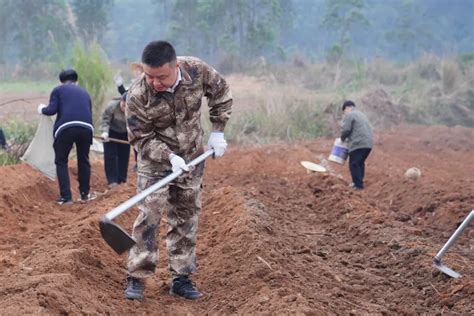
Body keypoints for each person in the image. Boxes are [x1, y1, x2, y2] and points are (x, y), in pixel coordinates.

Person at [123, 40, 232, 301]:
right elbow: (140, 138)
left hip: (192, 156)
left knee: (185, 215)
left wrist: (218, 131)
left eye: (161, 76)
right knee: (149, 214)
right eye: (149, 76)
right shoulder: (138, 94)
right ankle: (137, 276)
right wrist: (169, 156)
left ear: (177, 66)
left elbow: (221, 92)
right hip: (155, 161)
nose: (155, 82)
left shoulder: (197, 71)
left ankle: (181, 279)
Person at [38, 69, 94, 205]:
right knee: (83, 160)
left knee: (61, 161)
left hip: (66, 127)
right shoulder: (85, 93)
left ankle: (66, 197)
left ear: (61, 81)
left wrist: (41, 109)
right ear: (76, 81)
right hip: (87, 128)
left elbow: (51, 110)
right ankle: (84, 195)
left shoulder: (58, 90)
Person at [340, 100, 373, 190]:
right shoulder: (362, 115)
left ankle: (358, 185)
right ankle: (359, 183)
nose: (345, 113)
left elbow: (346, 129)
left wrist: (341, 139)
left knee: (354, 164)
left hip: (358, 143)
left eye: (344, 111)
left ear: (347, 108)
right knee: (360, 163)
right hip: (368, 143)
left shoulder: (350, 115)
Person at [100, 92, 131, 188]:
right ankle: (112, 180)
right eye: (123, 105)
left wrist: (135, 137)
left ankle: (121, 179)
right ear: (121, 101)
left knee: (124, 155)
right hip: (112, 131)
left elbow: (136, 124)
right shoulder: (112, 106)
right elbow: (105, 120)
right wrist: (105, 132)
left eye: (127, 107)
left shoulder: (136, 109)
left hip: (125, 132)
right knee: (110, 155)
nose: (124, 108)